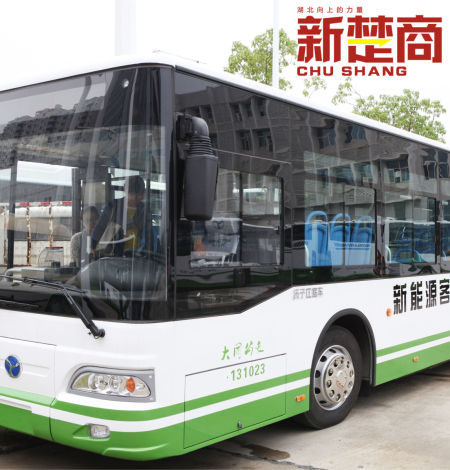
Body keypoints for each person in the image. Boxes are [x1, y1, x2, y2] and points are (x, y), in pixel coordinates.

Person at [91, 175, 146, 255]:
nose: (134, 198)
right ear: (125, 191)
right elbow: (99, 229)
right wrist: (93, 248)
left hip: (138, 256)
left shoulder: (144, 210)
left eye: (138, 194)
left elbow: (149, 235)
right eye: (131, 194)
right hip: (115, 256)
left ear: (143, 194)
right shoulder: (113, 206)